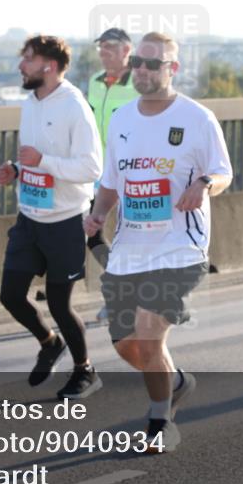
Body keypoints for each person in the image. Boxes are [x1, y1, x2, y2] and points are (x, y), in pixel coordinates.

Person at [84, 32, 233, 452]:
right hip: (131, 248)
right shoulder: (123, 119)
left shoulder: (197, 118)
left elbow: (223, 173)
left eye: (154, 63)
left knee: (149, 334)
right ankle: (176, 381)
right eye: (139, 64)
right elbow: (112, 182)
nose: (144, 71)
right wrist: (98, 214)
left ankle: (160, 422)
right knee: (126, 344)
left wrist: (204, 184)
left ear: (173, 68)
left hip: (180, 248)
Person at [0, 35, 104, 399]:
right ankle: (48, 341)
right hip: (30, 216)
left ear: (50, 66)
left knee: (59, 303)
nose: (21, 66)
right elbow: (35, 157)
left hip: (66, 221)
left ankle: (85, 370)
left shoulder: (74, 105)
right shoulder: (30, 102)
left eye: (28, 59)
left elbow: (91, 167)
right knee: (10, 295)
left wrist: (43, 163)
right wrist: (16, 169)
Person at [85, 27, 137, 322]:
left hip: (132, 175)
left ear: (126, 51)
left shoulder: (138, 85)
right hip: (101, 175)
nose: (104, 53)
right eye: (101, 48)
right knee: (93, 235)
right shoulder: (94, 82)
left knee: (126, 237)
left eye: (110, 48)